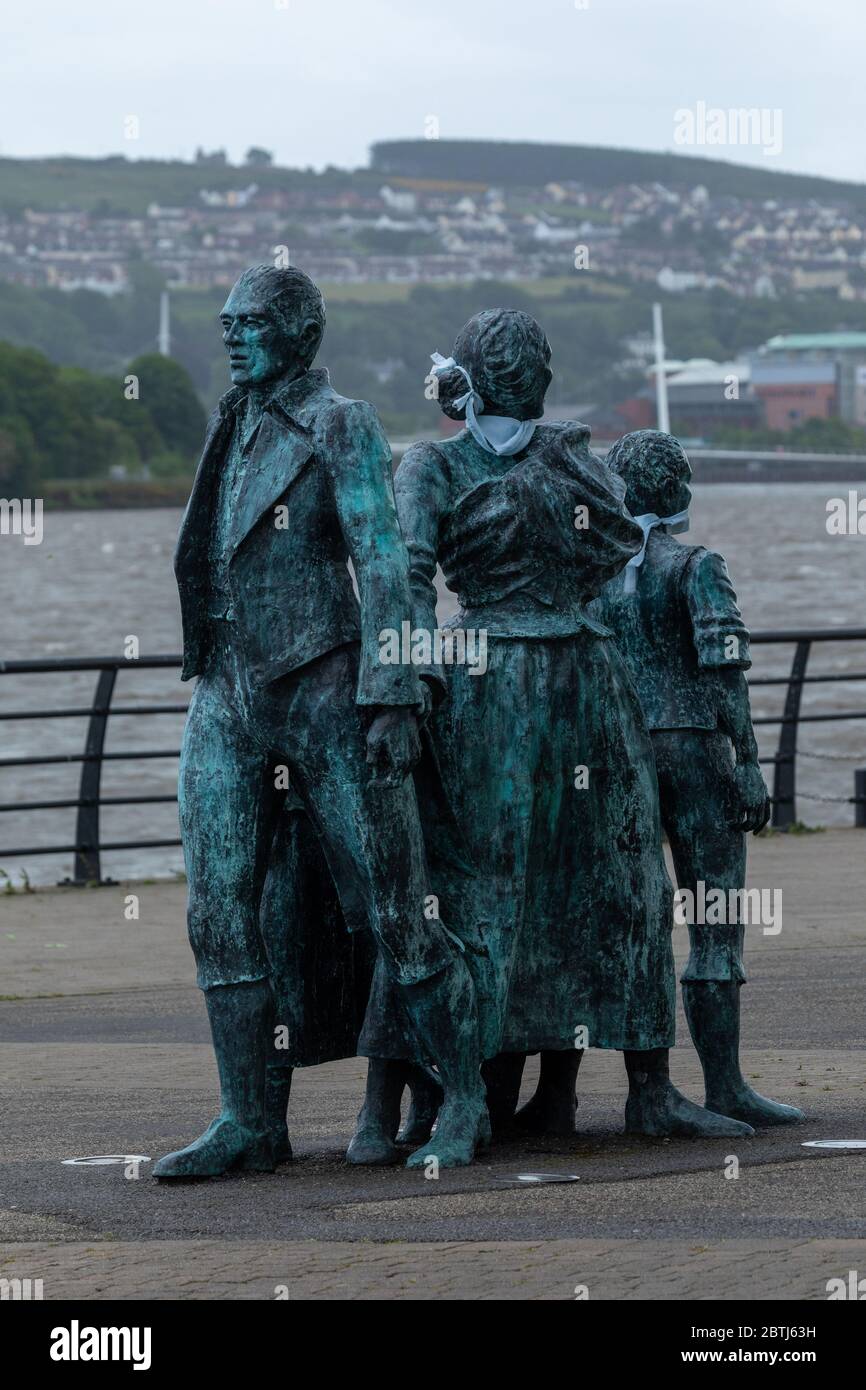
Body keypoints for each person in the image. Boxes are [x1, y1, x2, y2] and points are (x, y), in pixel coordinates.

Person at [351, 310, 754, 1162]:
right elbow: (407, 575)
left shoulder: (566, 451)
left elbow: (611, 544)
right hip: (491, 686)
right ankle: (470, 1090)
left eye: (534, 364)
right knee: (490, 888)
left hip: (587, 681)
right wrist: (404, 692)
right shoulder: (432, 464)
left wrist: (567, 467)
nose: (530, 379)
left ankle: (653, 1088)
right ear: (474, 377)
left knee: (627, 877)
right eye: (513, 366)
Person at [154, 265, 486, 1179]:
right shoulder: (234, 417)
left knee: (394, 905)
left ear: (301, 333)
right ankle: (249, 1120)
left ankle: (463, 1096)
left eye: (251, 322)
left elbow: (383, 560)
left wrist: (394, 691)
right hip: (227, 691)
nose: (231, 336)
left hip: (327, 685)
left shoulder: (342, 422)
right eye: (225, 322)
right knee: (218, 909)